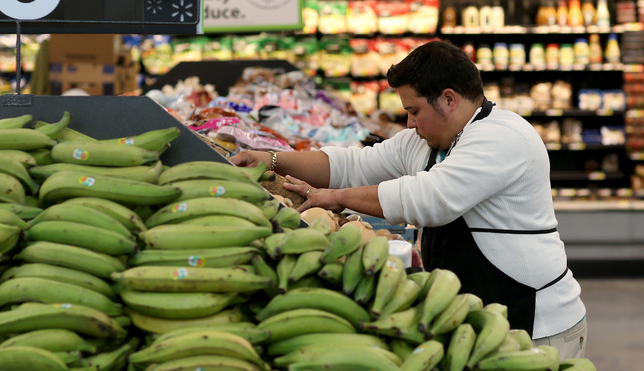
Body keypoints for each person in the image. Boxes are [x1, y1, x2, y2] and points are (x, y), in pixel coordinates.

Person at [232, 40, 587, 358]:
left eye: (415, 110)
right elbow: (352, 163)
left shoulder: (503, 137)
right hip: (477, 317)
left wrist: (337, 198)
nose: (410, 122)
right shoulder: (427, 141)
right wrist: (272, 158)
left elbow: (428, 199)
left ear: (448, 99)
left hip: (538, 324)